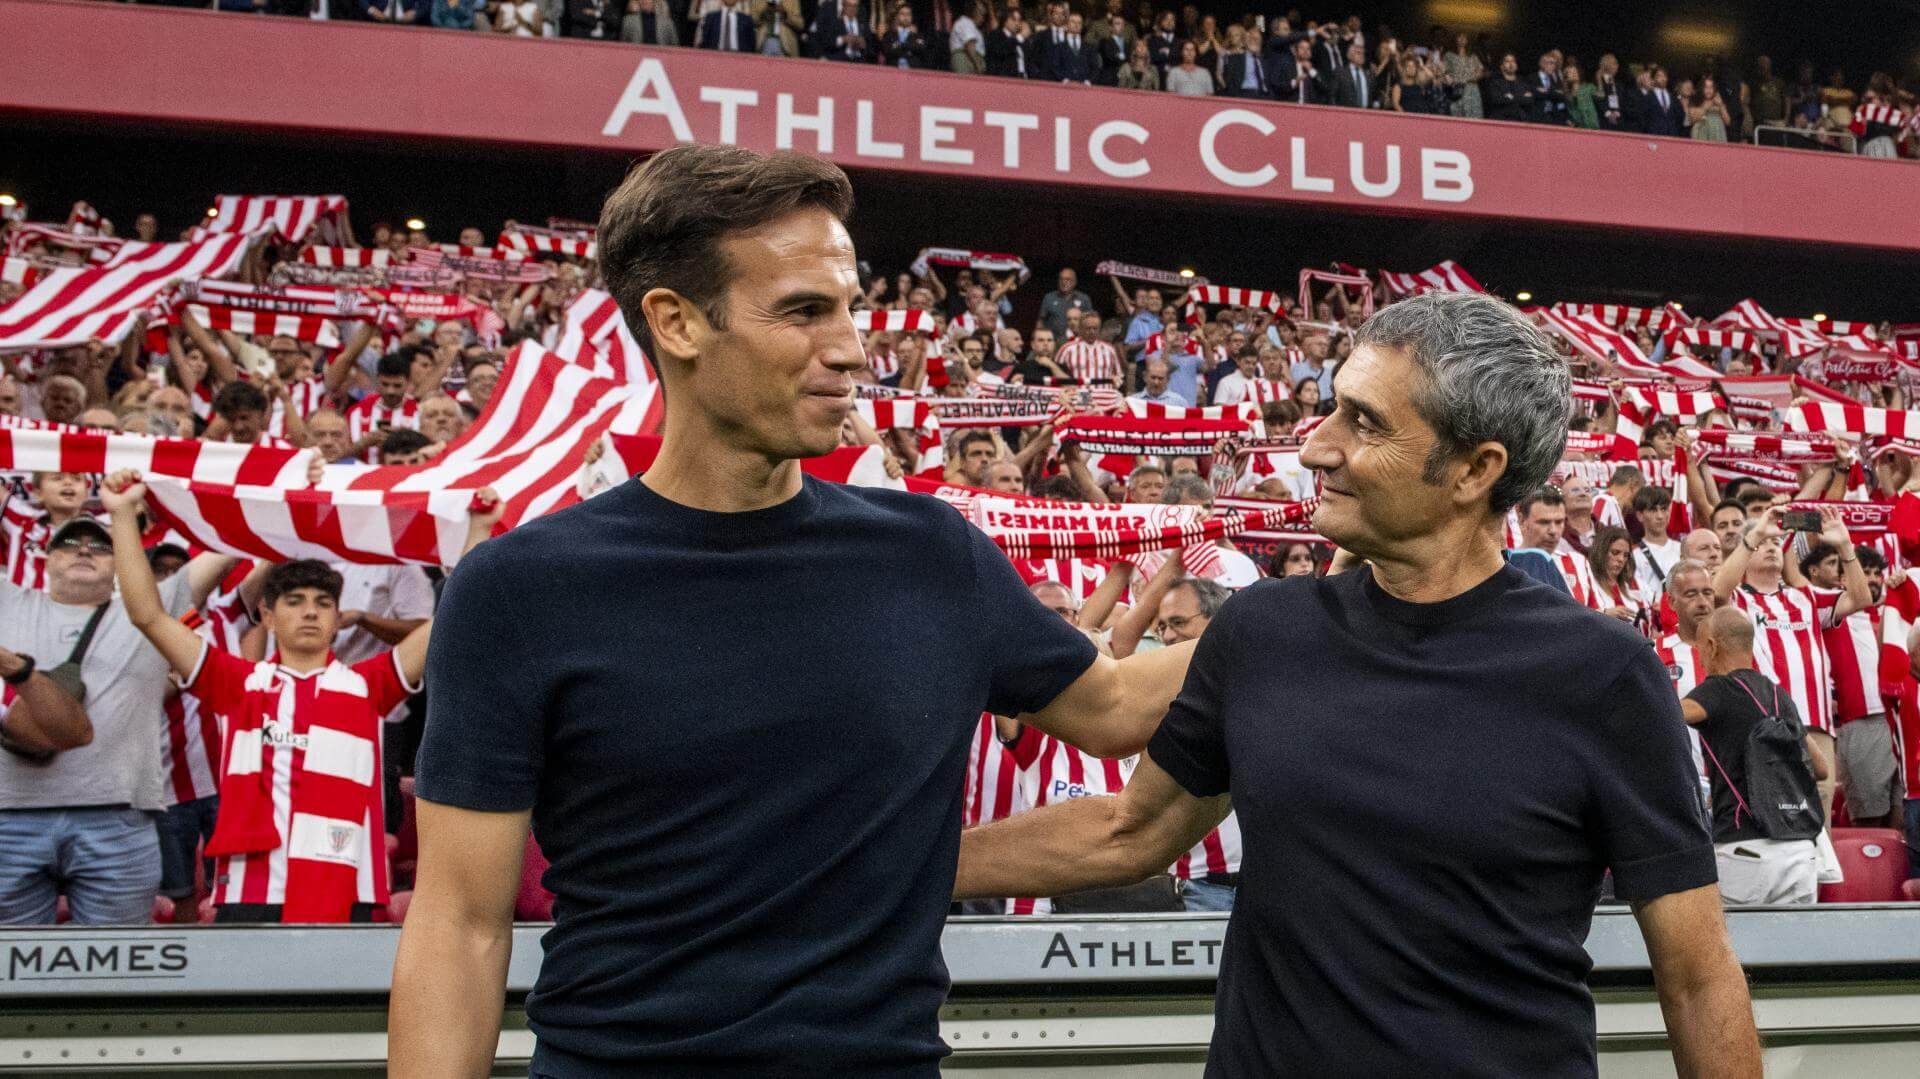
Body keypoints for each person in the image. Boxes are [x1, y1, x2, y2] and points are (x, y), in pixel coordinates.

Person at [390, 145, 1200, 1076]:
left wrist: (1338, 590)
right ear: (677, 322)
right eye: (805, 311)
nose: (853, 346)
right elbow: (458, 924)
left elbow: (1117, 710)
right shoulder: (518, 589)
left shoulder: (928, 553)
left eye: (849, 306)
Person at [956, 290, 1759, 1075]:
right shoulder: (1264, 630)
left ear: (1476, 469)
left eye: (1364, 421)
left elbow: (1695, 978)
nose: (1315, 447)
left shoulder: (1603, 675)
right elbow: (1129, 831)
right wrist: (904, 862)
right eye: (1334, 407)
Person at [0, 516, 237, 924]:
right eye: (69, 542)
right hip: (9, 817)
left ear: (118, 565)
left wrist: (292, 476)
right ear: (46, 558)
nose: (84, 550)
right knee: (8, 975)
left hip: (119, 822)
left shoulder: (150, 610)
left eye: (100, 546)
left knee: (113, 975)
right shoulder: (8, 600)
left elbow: (230, 545)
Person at [1712, 505, 1867, 824]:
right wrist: (1755, 534)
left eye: (1775, 543)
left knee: (1820, 827)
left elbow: (1860, 599)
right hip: (1766, 728)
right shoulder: (1739, 600)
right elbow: (1716, 592)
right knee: (1777, 823)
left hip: (1816, 727)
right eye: (1763, 544)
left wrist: (1845, 547)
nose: (1771, 547)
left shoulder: (1806, 598)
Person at [1682, 607, 1829, 906]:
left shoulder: (1717, 690)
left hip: (1744, 851)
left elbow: (1666, 714)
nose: (1699, 656)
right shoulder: (1779, 695)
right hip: (1799, 851)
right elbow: (1821, 768)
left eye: (1699, 647)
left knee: (1739, 951)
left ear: (1711, 645)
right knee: (1797, 952)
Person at [1805, 544, 1906, 828]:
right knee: (1870, 815)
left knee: (1903, 812)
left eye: (1877, 573)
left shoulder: (1890, 612)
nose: (1873, 578)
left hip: (1898, 723)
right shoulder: (1829, 615)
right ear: (1845, 577)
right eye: (1865, 572)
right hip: (1861, 722)